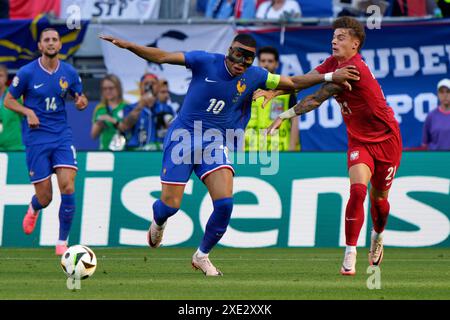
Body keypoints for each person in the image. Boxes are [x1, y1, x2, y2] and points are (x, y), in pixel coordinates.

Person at [100, 32, 359, 276]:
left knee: (224, 204)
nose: (242, 65)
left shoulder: (256, 75)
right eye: (239, 57)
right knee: (170, 206)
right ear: (229, 52)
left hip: (215, 144)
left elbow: (291, 83)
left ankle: (201, 255)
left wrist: (328, 77)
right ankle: (158, 219)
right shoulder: (205, 61)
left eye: (248, 61)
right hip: (184, 138)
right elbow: (163, 56)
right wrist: (129, 46)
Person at [265, 16, 402, 275]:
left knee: (379, 200)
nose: (333, 40)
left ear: (355, 43)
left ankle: (378, 235)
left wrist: (284, 115)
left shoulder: (353, 69)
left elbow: (317, 97)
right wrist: (276, 91)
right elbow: (301, 80)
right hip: (359, 140)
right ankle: (350, 252)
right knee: (358, 191)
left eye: (340, 37)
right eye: (333, 36)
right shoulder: (333, 64)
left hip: (387, 140)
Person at [3, 28, 88, 255]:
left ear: (60, 45)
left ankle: (62, 242)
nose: (51, 43)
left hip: (61, 135)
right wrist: (27, 111)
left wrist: (81, 102)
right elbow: (8, 101)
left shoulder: (69, 73)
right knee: (46, 197)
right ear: (40, 46)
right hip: (36, 138)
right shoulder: (27, 73)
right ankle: (34, 207)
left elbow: (79, 96)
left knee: (68, 185)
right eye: (46, 40)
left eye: (54, 40)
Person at [245, 46, 299, 151]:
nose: (266, 64)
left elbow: (295, 121)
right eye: (263, 61)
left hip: (279, 148)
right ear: (258, 62)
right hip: (251, 149)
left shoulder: (286, 89)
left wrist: (292, 148)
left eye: (270, 61)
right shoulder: (249, 87)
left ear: (276, 64)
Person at [119, 73, 171, 151]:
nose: (149, 86)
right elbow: (124, 127)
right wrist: (140, 106)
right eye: (146, 83)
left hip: (158, 152)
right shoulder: (130, 108)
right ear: (140, 87)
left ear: (157, 88)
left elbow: (173, 130)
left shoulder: (166, 108)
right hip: (136, 152)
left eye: (152, 83)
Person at [91, 74, 127, 150]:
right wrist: (99, 123)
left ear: (118, 88)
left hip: (124, 152)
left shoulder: (126, 106)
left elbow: (127, 129)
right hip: (104, 151)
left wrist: (112, 120)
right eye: (104, 89)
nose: (108, 91)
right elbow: (93, 135)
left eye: (111, 88)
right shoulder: (99, 108)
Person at [0, 64, 24, 151]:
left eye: (1, 75)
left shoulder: (16, 96)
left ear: (6, 78)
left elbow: (24, 115)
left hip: (13, 147)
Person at [421, 78, 450, 150]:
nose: (445, 95)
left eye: (448, 92)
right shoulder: (431, 116)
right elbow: (425, 143)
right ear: (438, 94)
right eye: (442, 92)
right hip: (436, 158)